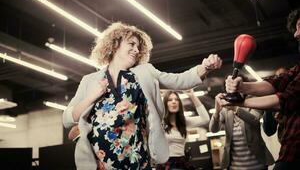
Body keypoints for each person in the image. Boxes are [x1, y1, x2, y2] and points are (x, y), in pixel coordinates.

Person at [62, 22, 222, 170]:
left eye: (138, 47)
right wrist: (91, 97)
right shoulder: (90, 81)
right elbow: (68, 118)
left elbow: (179, 80)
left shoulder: (145, 72)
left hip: (136, 159)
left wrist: (205, 67)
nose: (137, 50)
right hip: (100, 162)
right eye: (131, 44)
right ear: (115, 44)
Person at [219, 7, 300, 169]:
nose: (296, 34)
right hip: (290, 151)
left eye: (299, 26)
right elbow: (278, 82)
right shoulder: (297, 69)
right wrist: (242, 86)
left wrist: (239, 104)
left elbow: (286, 100)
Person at [209, 93, 274, 169]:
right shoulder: (226, 109)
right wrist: (217, 112)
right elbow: (213, 130)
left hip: (257, 165)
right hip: (235, 166)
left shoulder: (254, 102)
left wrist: (235, 108)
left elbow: (254, 120)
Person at [156, 89, 210, 170]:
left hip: (181, 162)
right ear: (165, 104)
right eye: (170, 100)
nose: (174, 102)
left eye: (176, 99)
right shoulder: (160, 122)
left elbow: (205, 119)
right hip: (165, 164)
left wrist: (192, 96)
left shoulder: (184, 122)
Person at [262, 67, 288, 142]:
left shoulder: (295, 94)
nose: (279, 79)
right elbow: (269, 131)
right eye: (277, 77)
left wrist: (284, 120)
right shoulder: (274, 99)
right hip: (285, 143)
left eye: (282, 75)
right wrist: (268, 107)